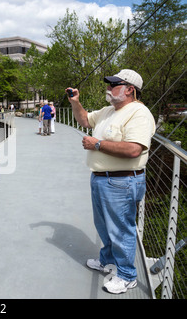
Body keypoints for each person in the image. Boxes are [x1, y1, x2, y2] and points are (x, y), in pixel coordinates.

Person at [66, 69, 155, 294]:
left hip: (122, 182)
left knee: (121, 230)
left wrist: (97, 144)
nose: (108, 88)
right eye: (109, 84)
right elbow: (84, 119)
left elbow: (134, 149)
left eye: (114, 84)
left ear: (129, 90)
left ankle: (126, 276)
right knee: (104, 226)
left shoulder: (139, 113)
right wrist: (75, 102)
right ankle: (108, 262)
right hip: (100, 178)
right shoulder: (108, 111)